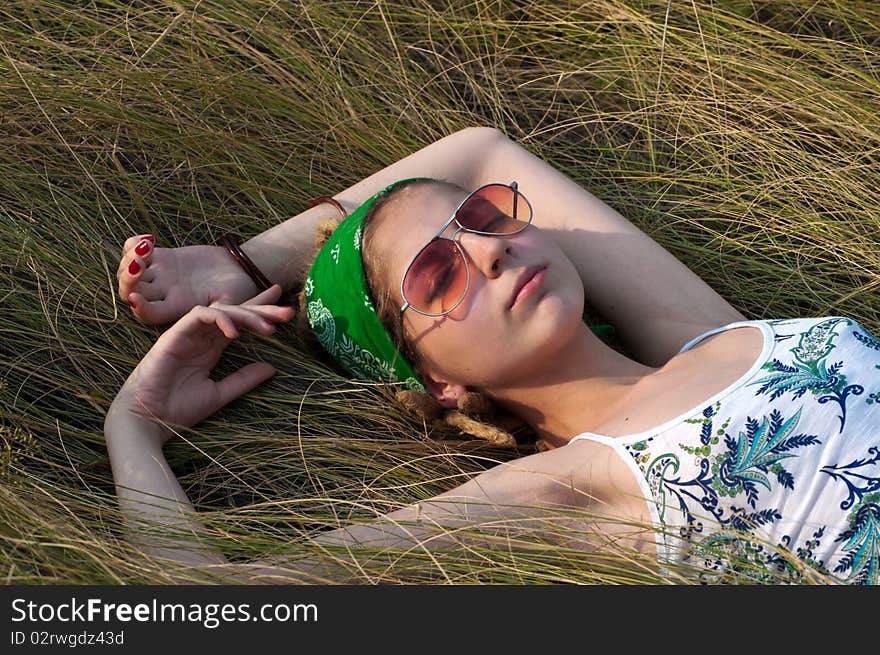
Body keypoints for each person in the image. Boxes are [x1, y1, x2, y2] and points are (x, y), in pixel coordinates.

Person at [106, 127, 880, 584]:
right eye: (436, 275)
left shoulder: (708, 333)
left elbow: (478, 153)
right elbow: (211, 600)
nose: (488, 251)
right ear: (438, 381)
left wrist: (243, 267)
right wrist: (134, 424)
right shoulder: (575, 482)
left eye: (482, 220)